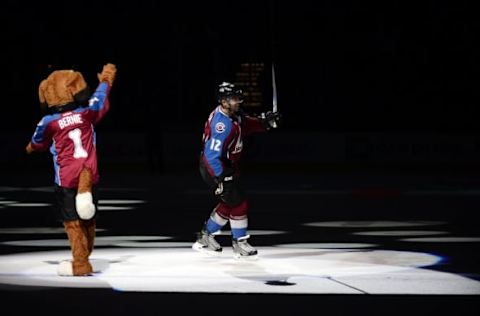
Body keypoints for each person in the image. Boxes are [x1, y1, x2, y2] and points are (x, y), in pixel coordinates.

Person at [26, 63, 116, 275]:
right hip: (90, 174)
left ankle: (80, 262)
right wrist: (105, 80)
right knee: (89, 219)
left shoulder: (49, 122)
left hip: (66, 179)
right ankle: (85, 255)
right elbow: (99, 99)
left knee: (73, 223)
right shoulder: (86, 114)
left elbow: (37, 142)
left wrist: (31, 147)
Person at [192, 82, 281, 259]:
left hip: (226, 166)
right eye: (233, 98)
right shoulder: (221, 125)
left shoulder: (233, 115)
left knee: (229, 202)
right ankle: (240, 243)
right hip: (216, 168)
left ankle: (205, 237)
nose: (237, 101)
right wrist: (220, 177)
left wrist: (264, 123)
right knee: (239, 203)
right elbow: (211, 155)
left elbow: (245, 124)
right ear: (223, 101)